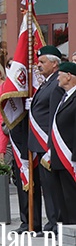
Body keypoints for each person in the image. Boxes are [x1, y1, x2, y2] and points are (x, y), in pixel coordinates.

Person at [29, 45, 65, 231]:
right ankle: (51, 221)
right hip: (39, 140)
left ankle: (55, 222)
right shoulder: (46, 82)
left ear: (54, 63)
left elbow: (54, 116)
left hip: (47, 141)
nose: (38, 65)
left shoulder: (56, 84)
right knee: (46, 185)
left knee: (52, 186)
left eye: (42, 62)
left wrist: (51, 144)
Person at [47, 61, 76, 224]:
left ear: (69, 76)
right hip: (59, 157)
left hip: (70, 157)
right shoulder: (64, 97)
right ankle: (66, 231)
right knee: (62, 199)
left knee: (71, 199)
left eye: (60, 75)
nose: (57, 78)